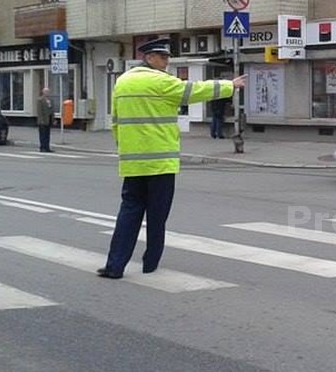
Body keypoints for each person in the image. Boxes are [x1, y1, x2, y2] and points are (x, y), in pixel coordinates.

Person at [97, 38, 246, 279]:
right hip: (160, 163)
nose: (167, 62)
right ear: (149, 58)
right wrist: (229, 85)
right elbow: (194, 91)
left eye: (167, 57)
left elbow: (116, 122)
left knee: (128, 213)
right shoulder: (161, 82)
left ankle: (115, 265)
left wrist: (124, 149)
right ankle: (150, 264)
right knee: (157, 216)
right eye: (163, 57)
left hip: (133, 162)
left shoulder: (122, 82)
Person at [37, 87, 54, 152]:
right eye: (46, 92)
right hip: (43, 120)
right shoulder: (40, 100)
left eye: (48, 92)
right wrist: (41, 120)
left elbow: (52, 110)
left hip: (48, 119)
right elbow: (39, 111)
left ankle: (47, 147)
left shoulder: (50, 100)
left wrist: (53, 119)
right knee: (42, 134)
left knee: (47, 134)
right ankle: (42, 147)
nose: (47, 93)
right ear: (43, 92)